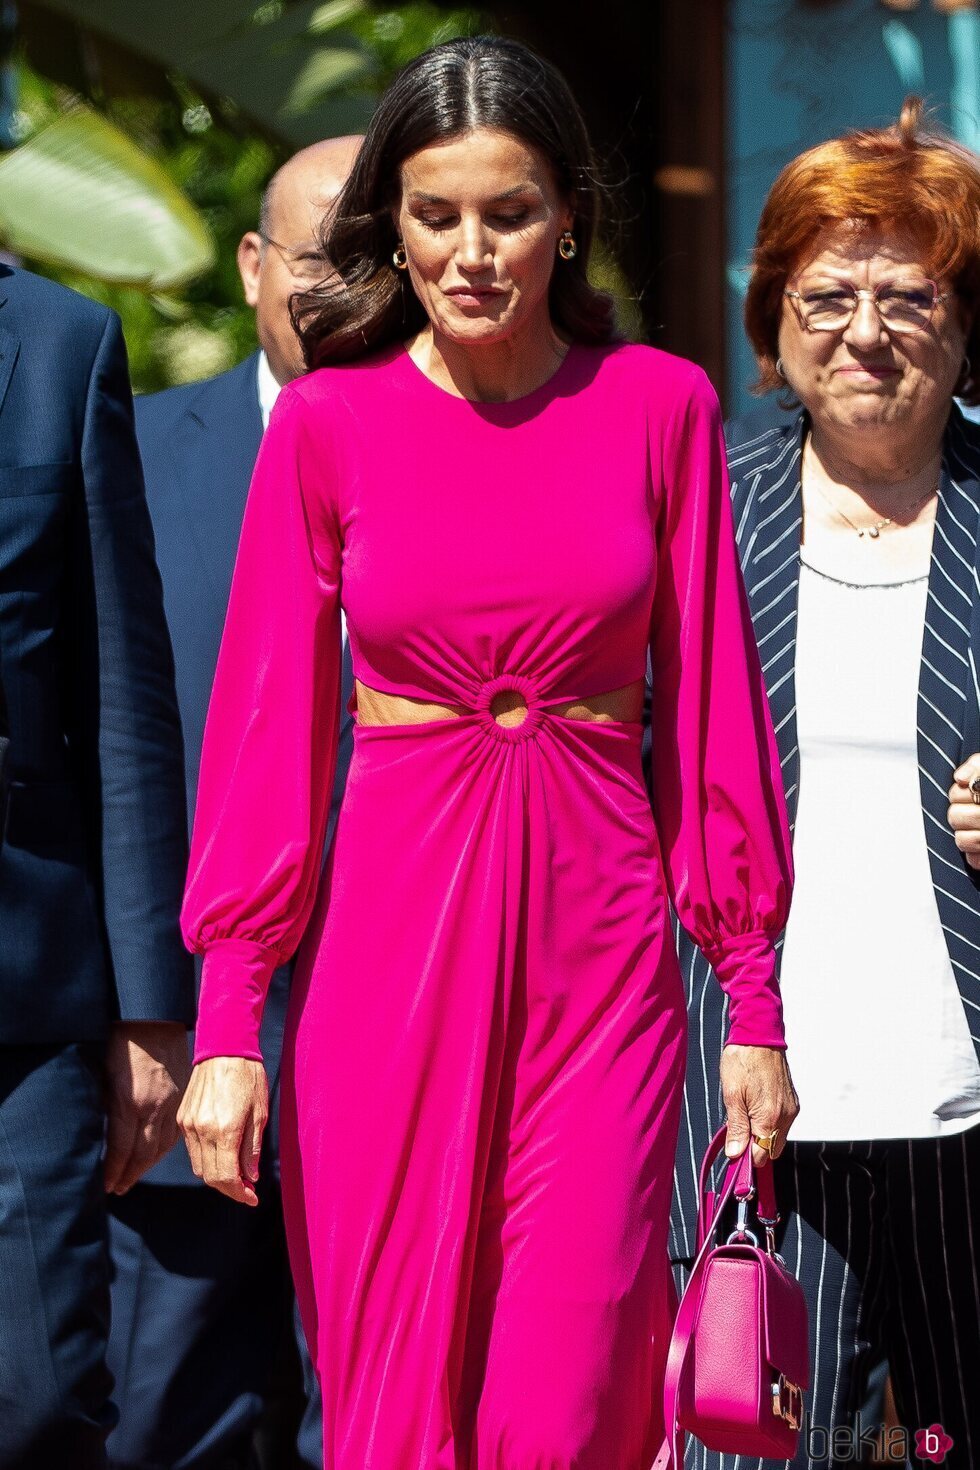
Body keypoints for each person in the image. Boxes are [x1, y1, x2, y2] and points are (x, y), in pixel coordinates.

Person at [178, 35, 796, 1470]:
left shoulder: (659, 407)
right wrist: (227, 1023)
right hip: (385, 960)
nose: (471, 253)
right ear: (391, 222)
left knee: (570, 1400)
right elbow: (268, 732)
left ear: (566, 213)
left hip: (607, 966)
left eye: (506, 213)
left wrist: (752, 997)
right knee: (393, 1410)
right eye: (434, 214)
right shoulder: (329, 427)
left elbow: (710, 716)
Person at [672, 99, 980, 1468]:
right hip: (755, 1099)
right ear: (773, 321)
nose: (865, 329)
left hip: (963, 1109)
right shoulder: (698, 510)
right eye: (828, 293)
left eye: (908, 295)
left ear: (967, 323)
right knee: (749, 1444)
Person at [106, 137, 361, 1470]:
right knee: (162, 1416)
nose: (345, 286)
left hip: (392, 1033)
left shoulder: (474, 453)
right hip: (189, 1035)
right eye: (322, 252)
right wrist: (140, 1011)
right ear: (256, 265)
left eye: (376, 251)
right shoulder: (140, 451)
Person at [0, 263, 192, 1468]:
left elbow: (121, 697)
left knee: (43, 1393)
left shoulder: (63, 345)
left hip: (26, 998)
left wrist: (149, 1009)